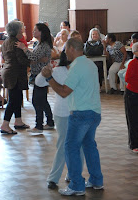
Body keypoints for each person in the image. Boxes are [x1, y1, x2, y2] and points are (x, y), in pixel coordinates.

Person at [42, 38, 103, 196]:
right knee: (89, 146)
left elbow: (63, 92)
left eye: (65, 49)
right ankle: (96, 180)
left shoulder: (76, 67)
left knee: (70, 147)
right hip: (95, 112)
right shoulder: (90, 64)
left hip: (81, 113)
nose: (64, 52)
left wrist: (49, 78)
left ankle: (76, 185)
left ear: (70, 49)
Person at [35, 46, 85, 190]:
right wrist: (46, 72)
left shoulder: (81, 71)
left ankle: (73, 174)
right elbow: (39, 82)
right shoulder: (58, 71)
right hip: (63, 113)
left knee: (79, 145)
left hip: (79, 111)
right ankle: (53, 178)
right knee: (63, 144)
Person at [16, 23, 54, 133]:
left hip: (41, 76)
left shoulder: (44, 45)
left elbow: (33, 57)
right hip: (38, 74)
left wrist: (24, 48)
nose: (33, 32)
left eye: (35, 30)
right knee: (43, 100)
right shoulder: (39, 44)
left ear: (41, 32)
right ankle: (50, 122)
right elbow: (36, 58)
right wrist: (35, 59)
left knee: (37, 101)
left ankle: (39, 125)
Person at [0, 20, 31, 134]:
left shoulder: (6, 41)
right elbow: (22, 60)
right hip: (14, 73)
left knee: (17, 97)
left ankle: (18, 121)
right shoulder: (16, 43)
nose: (23, 29)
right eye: (22, 28)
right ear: (17, 30)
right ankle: (5, 125)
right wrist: (31, 58)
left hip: (8, 71)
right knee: (13, 100)